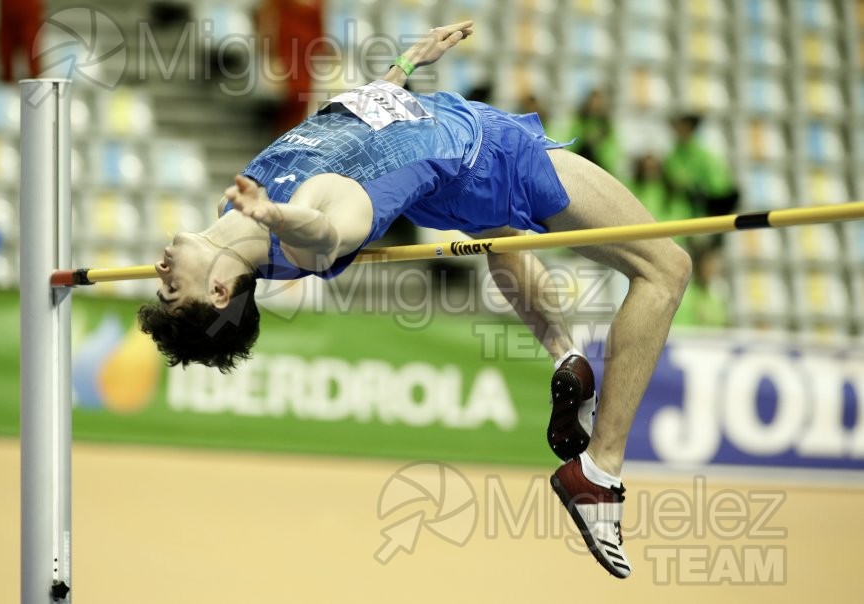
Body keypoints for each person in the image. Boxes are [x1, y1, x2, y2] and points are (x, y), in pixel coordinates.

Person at [138, 21, 691, 579]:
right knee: (666, 271)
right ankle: (600, 473)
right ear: (217, 291)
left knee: (502, 237)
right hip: (486, 156)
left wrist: (404, 66)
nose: (160, 271)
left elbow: (349, 132)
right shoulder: (301, 242)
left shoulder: (230, 210)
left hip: (448, 150)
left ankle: (565, 355)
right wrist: (276, 215)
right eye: (170, 287)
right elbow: (325, 232)